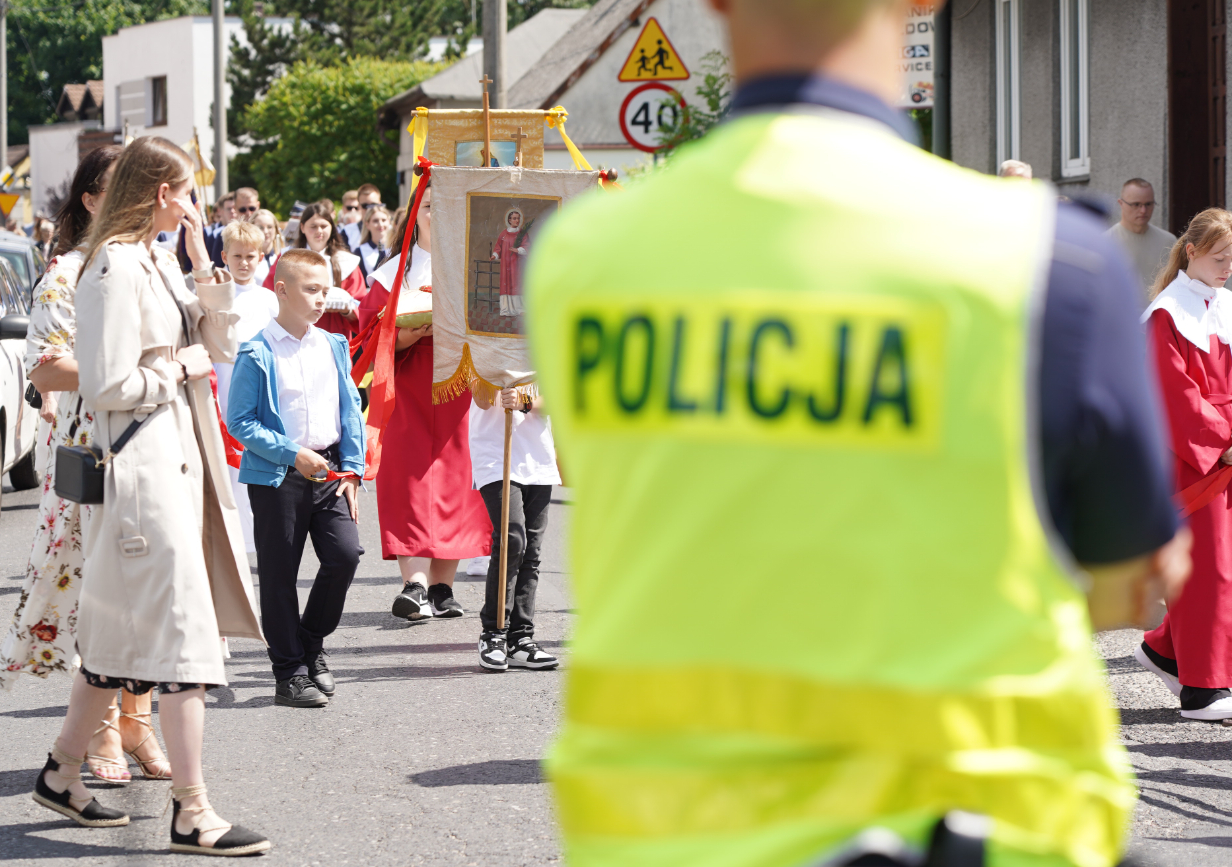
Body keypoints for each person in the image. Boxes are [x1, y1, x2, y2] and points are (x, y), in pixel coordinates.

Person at [522, 1, 1191, 865]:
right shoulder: (1050, 264)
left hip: (663, 835)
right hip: (977, 825)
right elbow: (1128, 585)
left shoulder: (579, 260)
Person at [30, 136, 268, 856]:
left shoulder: (160, 260)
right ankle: (192, 808)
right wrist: (177, 367)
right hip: (142, 475)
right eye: (188, 191)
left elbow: (219, 347)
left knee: (117, 642)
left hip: (175, 466)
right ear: (162, 193)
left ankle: (61, 770)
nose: (196, 204)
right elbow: (106, 386)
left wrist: (205, 270)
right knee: (184, 644)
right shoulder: (112, 268)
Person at [0, 145, 173, 787]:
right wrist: (131, 376)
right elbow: (46, 366)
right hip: (89, 448)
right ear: (92, 200)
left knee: (150, 588)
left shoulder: (159, 263)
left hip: (158, 443)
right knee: (92, 588)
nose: (149, 202)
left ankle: (138, 717)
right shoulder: (67, 272)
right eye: (130, 189)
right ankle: (97, 729)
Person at [227, 248, 365, 708]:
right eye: (311, 289)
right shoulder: (257, 350)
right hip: (277, 477)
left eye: (326, 289)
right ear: (281, 290)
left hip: (329, 472)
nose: (322, 298)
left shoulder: (332, 345)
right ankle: (289, 672)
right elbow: (241, 421)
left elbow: (350, 411)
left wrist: (354, 470)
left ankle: (310, 642)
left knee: (345, 555)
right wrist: (292, 453)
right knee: (280, 574)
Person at [360, 184, 490, 622]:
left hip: (460, 388)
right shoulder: (389, 275)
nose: (438, 215)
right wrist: (402, 339)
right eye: (431, 207)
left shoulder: (475, 269)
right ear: (415, 215)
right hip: (408, 389)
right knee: (409, 481)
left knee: (459, 482)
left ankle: (443, 587)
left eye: (447, 207)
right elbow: (365, 342)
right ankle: (413, 584)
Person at [1136, 209, 1232, 721]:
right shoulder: (1166, 314)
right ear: (1190, 251)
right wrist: (1221, 442)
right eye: (1220, 258)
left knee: (1224, 567)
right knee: (1210, 570)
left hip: (1223, 447)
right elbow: (1175, 396)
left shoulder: (1225, 305)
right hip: (1193, 457)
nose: (1228, 268)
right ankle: (1201, 689)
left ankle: (1164, 649)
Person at [470, 386, 560, 672]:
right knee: (512, 540)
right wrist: (497, 387)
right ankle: (494, 633)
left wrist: (527, 401)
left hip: (538, 457)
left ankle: (520, 638)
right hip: (495, 454)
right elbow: (480, 398)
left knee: (531, 548)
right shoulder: (486, 340)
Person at [214, 220, 280, 553]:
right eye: (237, 256)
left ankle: (259, 537)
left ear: (261, 256)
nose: (243, 263)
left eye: (250, 256)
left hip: (259, 383)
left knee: (255, 454)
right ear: (224, 256)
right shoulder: (216, 296)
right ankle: (232, 536)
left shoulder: (269, 299)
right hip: (224, 382)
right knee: (226, 458)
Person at [262, 199, 365, 339]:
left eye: (324, 226)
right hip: (293, 333)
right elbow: (269, 294)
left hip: (333, 333)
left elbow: (362, 308)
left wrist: (347, 308)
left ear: (332, 228)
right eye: (313, 226)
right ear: (302, 227)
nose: (319, 231)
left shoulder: (347, 261)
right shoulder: (287, 257)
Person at [1107, 178, 1178, 297]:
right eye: (1136, 204)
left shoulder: (1169, 241)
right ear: (1121, 203)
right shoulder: (1106, 242)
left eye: (1148, 204)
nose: (1143, 210)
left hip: (1158, 314)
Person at [489, 207, 529, 316]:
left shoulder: (522, 234)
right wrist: (494, 255)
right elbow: (498, 247)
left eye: (518, 218)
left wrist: (517, 250)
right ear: (509, 220)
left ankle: (520, 309)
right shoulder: (503, 234)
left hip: (517, 264)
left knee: (517, 284)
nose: (517, 221)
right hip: (506, 265)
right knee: (506, 284)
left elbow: (527, 247)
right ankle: (506, 309)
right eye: (514, 218)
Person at [357, 204, 391, 279]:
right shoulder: (360, 251)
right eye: (375, 221)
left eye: (384, 220)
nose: (380, 224)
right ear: (367, 224)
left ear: (389, 221)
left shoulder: (397, 248)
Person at [252, 208, 282, 287]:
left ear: (275, 229)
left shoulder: (283, 256)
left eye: (269, 227)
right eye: (260, 227)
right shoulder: (248, 260)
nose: (265, 231)